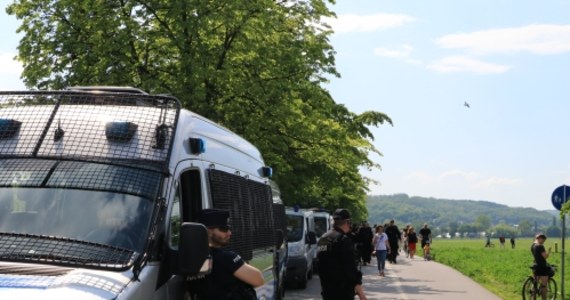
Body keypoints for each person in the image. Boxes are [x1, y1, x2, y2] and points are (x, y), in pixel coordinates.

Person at [191, 208, 264, 300]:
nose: (229, 233)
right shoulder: (226, 258)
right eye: (224, 229)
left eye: (229, 228)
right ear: (208, 231)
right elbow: (258, 279)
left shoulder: (192, 255)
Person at [317, 209, 367, 300]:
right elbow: (350, 269)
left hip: (326, 290)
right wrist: (361, 294)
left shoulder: (323, 238)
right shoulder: (343, 240)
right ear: (347, 222)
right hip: (342, 292)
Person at [531, 233, 553, 300]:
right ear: (540, 238)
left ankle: (533, 298)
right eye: (543, 240)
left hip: (535, 266)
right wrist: (549, 251)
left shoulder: (533, 245)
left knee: (535, 284)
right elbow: (545, 256)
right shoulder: (540, 246)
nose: (543, 242)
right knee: (544, 286)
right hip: (542, 267)